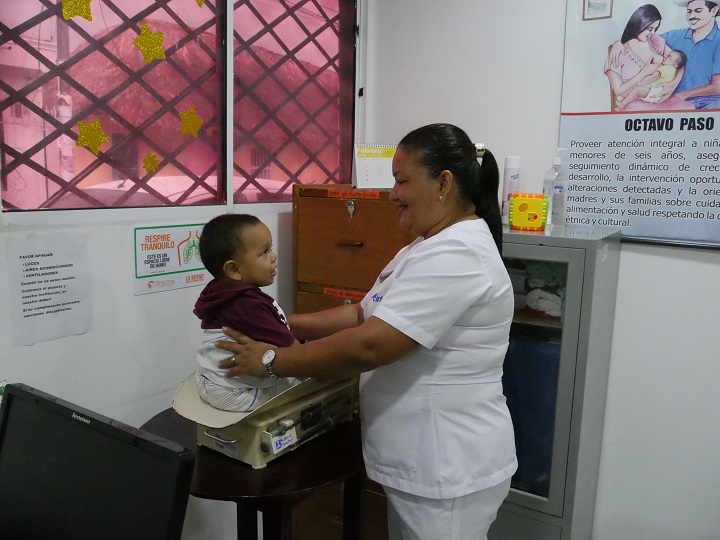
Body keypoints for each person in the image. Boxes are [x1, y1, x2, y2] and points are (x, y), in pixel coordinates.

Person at [215, 123, 518, 539]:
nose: (393, 194)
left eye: (402, 181)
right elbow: (362, 315)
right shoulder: (425, 245)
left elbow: (372, 344)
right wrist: (280, 320)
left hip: (446, 464)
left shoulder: (459, 253)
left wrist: (272, 360)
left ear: (443, 183)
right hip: (424, 460)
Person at [193, 213, 301, 412]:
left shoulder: (218, 290)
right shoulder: (248, 305)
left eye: (271, 249)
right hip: (233, 393)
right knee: (298, 384)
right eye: (264, 252)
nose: (273, 257)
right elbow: (295, 353)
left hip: (208, 380)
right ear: (234, 270)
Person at [608, 1, 720, 109]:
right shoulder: (676, 35)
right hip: (668, 101)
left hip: (708, 102)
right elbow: (643, 36)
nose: (691, 16)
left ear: (714, 11)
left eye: (698, 11)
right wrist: (619, 43)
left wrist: (679, 92)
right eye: (689, 11)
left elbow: (717, 87)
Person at [604, 4, 692, 110]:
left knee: (687, 108)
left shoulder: (654, 41)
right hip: (632, 100)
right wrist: (644, 73)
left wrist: (673, 84)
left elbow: (679, 60)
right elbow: (618, 91)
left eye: (655, 29)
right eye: (650, 29)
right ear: (639, 24)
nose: (653, 33)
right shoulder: (617, 53)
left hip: (656, 95)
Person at [616, 49, 687, 107]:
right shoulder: (673, 70)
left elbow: (654, 76)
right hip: (658, 92)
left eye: (669, 56)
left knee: (638, 89)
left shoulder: (666, 68)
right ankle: (626, 96)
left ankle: (622, 103)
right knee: (639, 88)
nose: (665, 56)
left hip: (655, 92)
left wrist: (642, 82)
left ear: (674, 62)